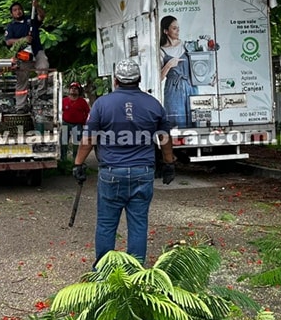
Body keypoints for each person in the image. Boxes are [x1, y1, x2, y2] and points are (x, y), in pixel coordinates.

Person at [72, 59, 175, 267]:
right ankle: (134, 271)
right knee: (138, 224)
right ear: (139, 80)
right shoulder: (153, 104)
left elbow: (89, 139)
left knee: (106, 224)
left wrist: (78, 164)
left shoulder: (102, 104)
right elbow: (164, 137)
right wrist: (169, 163)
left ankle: (104, 270)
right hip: (142, 172)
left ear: (116, 80)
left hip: (111, 173)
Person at [5, 0, 49, 112]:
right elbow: (8, 42)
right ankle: (20, 106)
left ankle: (41, 93)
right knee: (22, 80)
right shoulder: (11, 26)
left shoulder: (31, 19)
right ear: (12, 14)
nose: (18, 11)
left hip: (37, 50)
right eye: (15, 10)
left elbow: (42, 16)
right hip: (23, 55)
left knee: (43, 67)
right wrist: (23, 39)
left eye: (19, 9)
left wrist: (37, 6)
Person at [159, 15, 194, 128]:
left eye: (178, 28)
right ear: (165, 31)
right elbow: (158, 78)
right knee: (176, 121)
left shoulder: (185, 45)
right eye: (174, 28)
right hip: (173, 89)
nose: (178, 30)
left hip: (190, 86)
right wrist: (169, 65)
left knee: (194, 117)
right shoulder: (161, 51)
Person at [61, 82, 90, 161]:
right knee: (63, 142)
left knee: (77, 144)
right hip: (65, 124)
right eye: (72, 88)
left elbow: (88, 112)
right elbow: (60, 111)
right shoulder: (64, 100)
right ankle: (63, 160)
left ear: (78, 91)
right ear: (69, 90)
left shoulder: (82, 101)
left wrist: (85, 123)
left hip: (77, 125)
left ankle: (76, 160)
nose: (73, 90)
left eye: (75, 89)